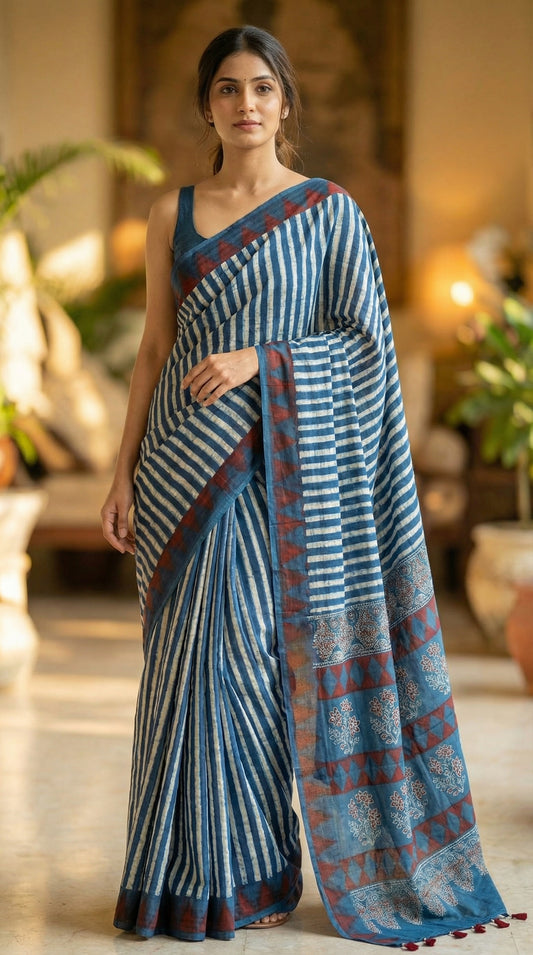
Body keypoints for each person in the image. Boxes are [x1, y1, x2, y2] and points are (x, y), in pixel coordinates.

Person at [102, 24, 508, 946]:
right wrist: (123, 467)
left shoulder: (327, 211)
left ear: (286, 103)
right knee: (182, 677)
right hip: (177, 471)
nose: (245, 104)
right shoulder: (174, 213)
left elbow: (368, 349)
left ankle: (249, 872)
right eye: (227, 89)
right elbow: (155, 352)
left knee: (240, 668)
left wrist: (261, 359)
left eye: (261, 88)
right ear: (206, 105)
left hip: (271, 478)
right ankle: (182, 879)